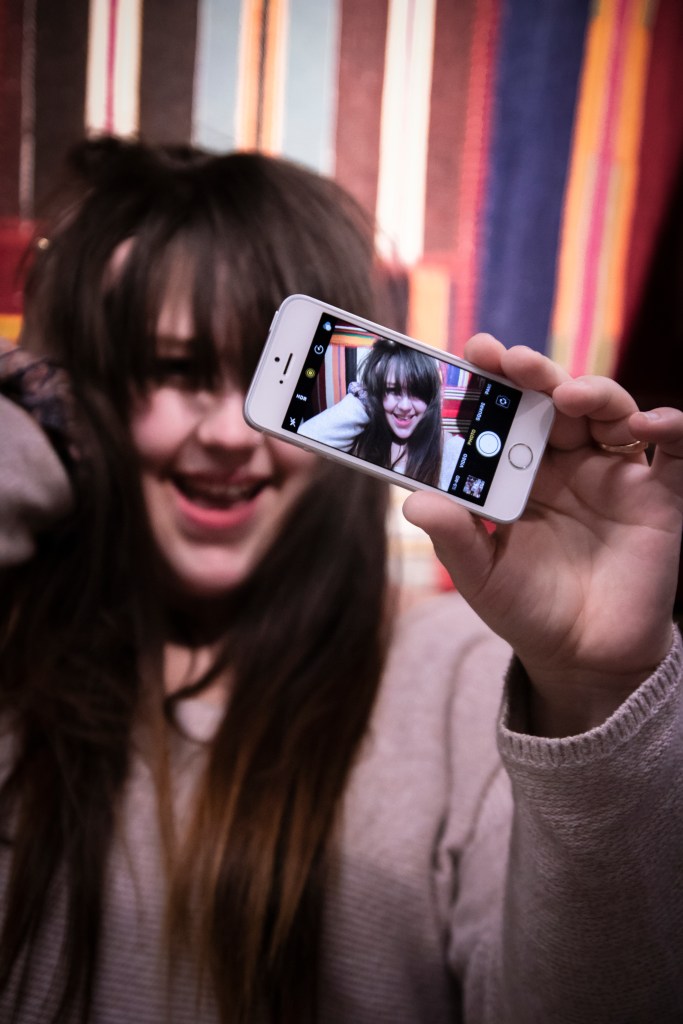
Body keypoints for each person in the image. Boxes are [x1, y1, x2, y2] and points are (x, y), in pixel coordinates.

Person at [0, 136, 681, 1024]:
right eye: (175, 370)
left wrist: (592, 694)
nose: (232, 435)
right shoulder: (16, 642)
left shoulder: (469, 676)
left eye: (273, 379)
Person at [298, 337, 464, 488]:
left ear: (430, 397)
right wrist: (366, 398)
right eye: (392, 390)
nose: (404, 406)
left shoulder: (452, 451)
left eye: (417, 392)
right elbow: (300, 446)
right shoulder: (359, 435)